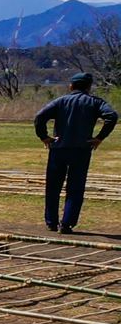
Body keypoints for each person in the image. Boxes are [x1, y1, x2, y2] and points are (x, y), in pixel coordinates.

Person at [34, 72, 116, 233]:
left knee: (53, 187)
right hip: (81, 150)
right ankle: (67, 223)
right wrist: (99, 137)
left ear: (71, 86)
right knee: (75, 188)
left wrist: (44, 137)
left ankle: (51, 222)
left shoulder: (61, 101)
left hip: (58, 149)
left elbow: (40, 117)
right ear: (89, 87)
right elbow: (112, 116)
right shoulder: (95, 102)